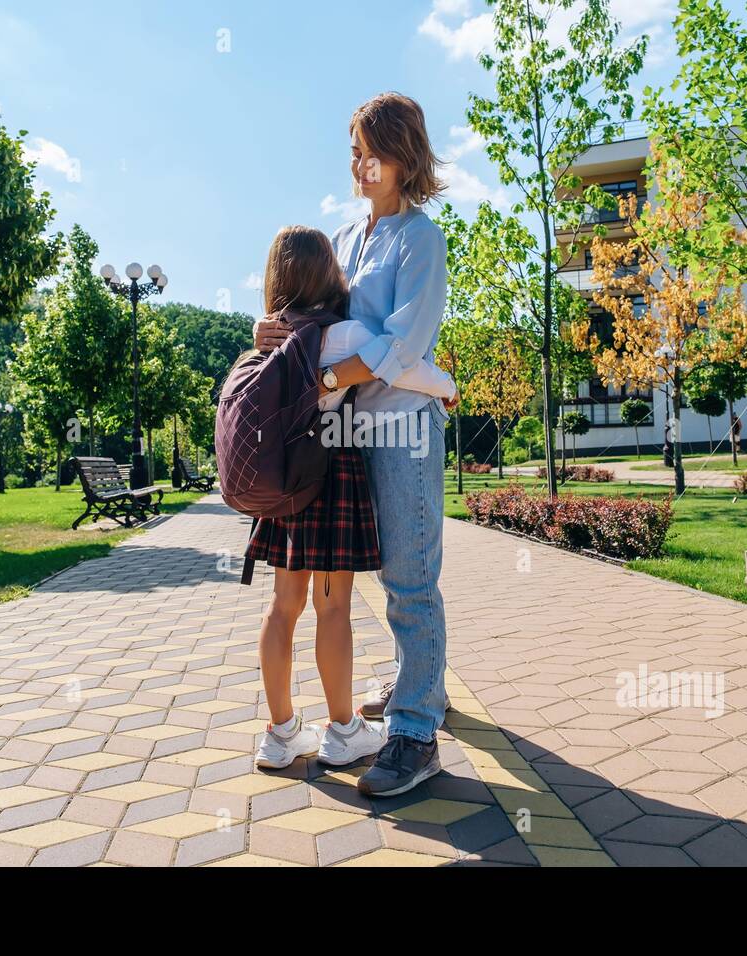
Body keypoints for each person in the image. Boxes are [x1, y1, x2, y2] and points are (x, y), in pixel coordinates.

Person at [255, 93, 454, 797]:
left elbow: (405, 345)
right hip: (341, 432)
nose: (358, 163)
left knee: (409, 577)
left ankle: (415, 732)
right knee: (373, 575)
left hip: (398, 425)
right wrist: (273, 336)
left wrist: (326, 376)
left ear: (404, 156)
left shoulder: (421, 241)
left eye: (370, 151)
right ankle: (417, 686)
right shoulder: (344, 238)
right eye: (353, 151)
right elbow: (313, 312)